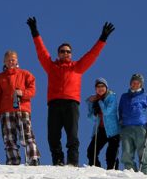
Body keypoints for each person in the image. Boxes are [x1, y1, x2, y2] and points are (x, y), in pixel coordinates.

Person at [26, 16, 115, 166]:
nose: (65, 53)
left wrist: (103, 38)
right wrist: (35, 32)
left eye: (68, 51)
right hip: (54, 104)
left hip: (71, 104)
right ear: (58, 53)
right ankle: (58, 160)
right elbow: (41, 52)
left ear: (71, 54)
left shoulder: (77, 67)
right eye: (62, 51)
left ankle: (72, 162)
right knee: (53, 136)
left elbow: (92, 55)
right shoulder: (51, 67)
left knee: (72, 135)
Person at [0, 50, 41, 166]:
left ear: (17, 60)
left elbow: (32, 90)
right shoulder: (0, 78)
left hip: (22, 109)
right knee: (9, 137)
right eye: (8, 60)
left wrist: (22, 93)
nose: (11, 62)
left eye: (13, 59)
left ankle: (33, 157)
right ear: (4, 61)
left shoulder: (25, 74)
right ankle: (13, 159)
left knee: (26, 134)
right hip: (6, 110)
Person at [118, 73, 147, 174]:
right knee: (126, 153)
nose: (135, 84)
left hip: (141, 128)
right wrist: (121, 120)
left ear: (141, 84)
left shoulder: (146, 96)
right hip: (126, 128)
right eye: (133, 82)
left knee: (144, 153)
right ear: (130, 83)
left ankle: (145, 174)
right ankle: (130, 172)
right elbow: (120, 110)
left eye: (137, 83)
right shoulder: (124, 96)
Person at [86, 78, 120, 170]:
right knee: (91, 151)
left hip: (113, 131)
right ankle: (96, 170)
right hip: (101, 129)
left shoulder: (111, 97)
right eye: (98, 87)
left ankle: (113, 172)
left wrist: (99, 102)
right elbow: (91, 117)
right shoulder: (95, 99)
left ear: (106, 87)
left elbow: (107, 112)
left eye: (102, 86)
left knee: (111, 155)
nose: (100, 89)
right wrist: (93, 109)